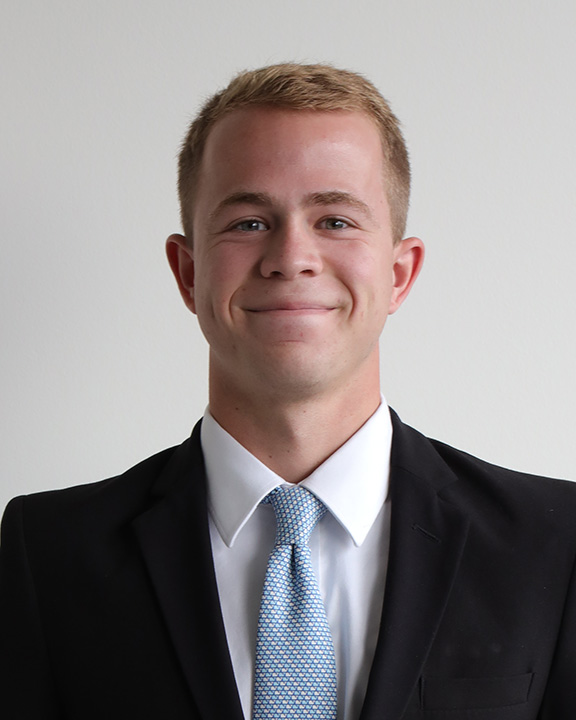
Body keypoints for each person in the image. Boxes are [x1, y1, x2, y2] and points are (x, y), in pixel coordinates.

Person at [0, 63, 575, 720]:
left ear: (399, 274)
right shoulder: (49, 554)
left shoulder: (553, 545)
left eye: (335, 220)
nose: (291, 257)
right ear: (188, 273)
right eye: (249, 222)